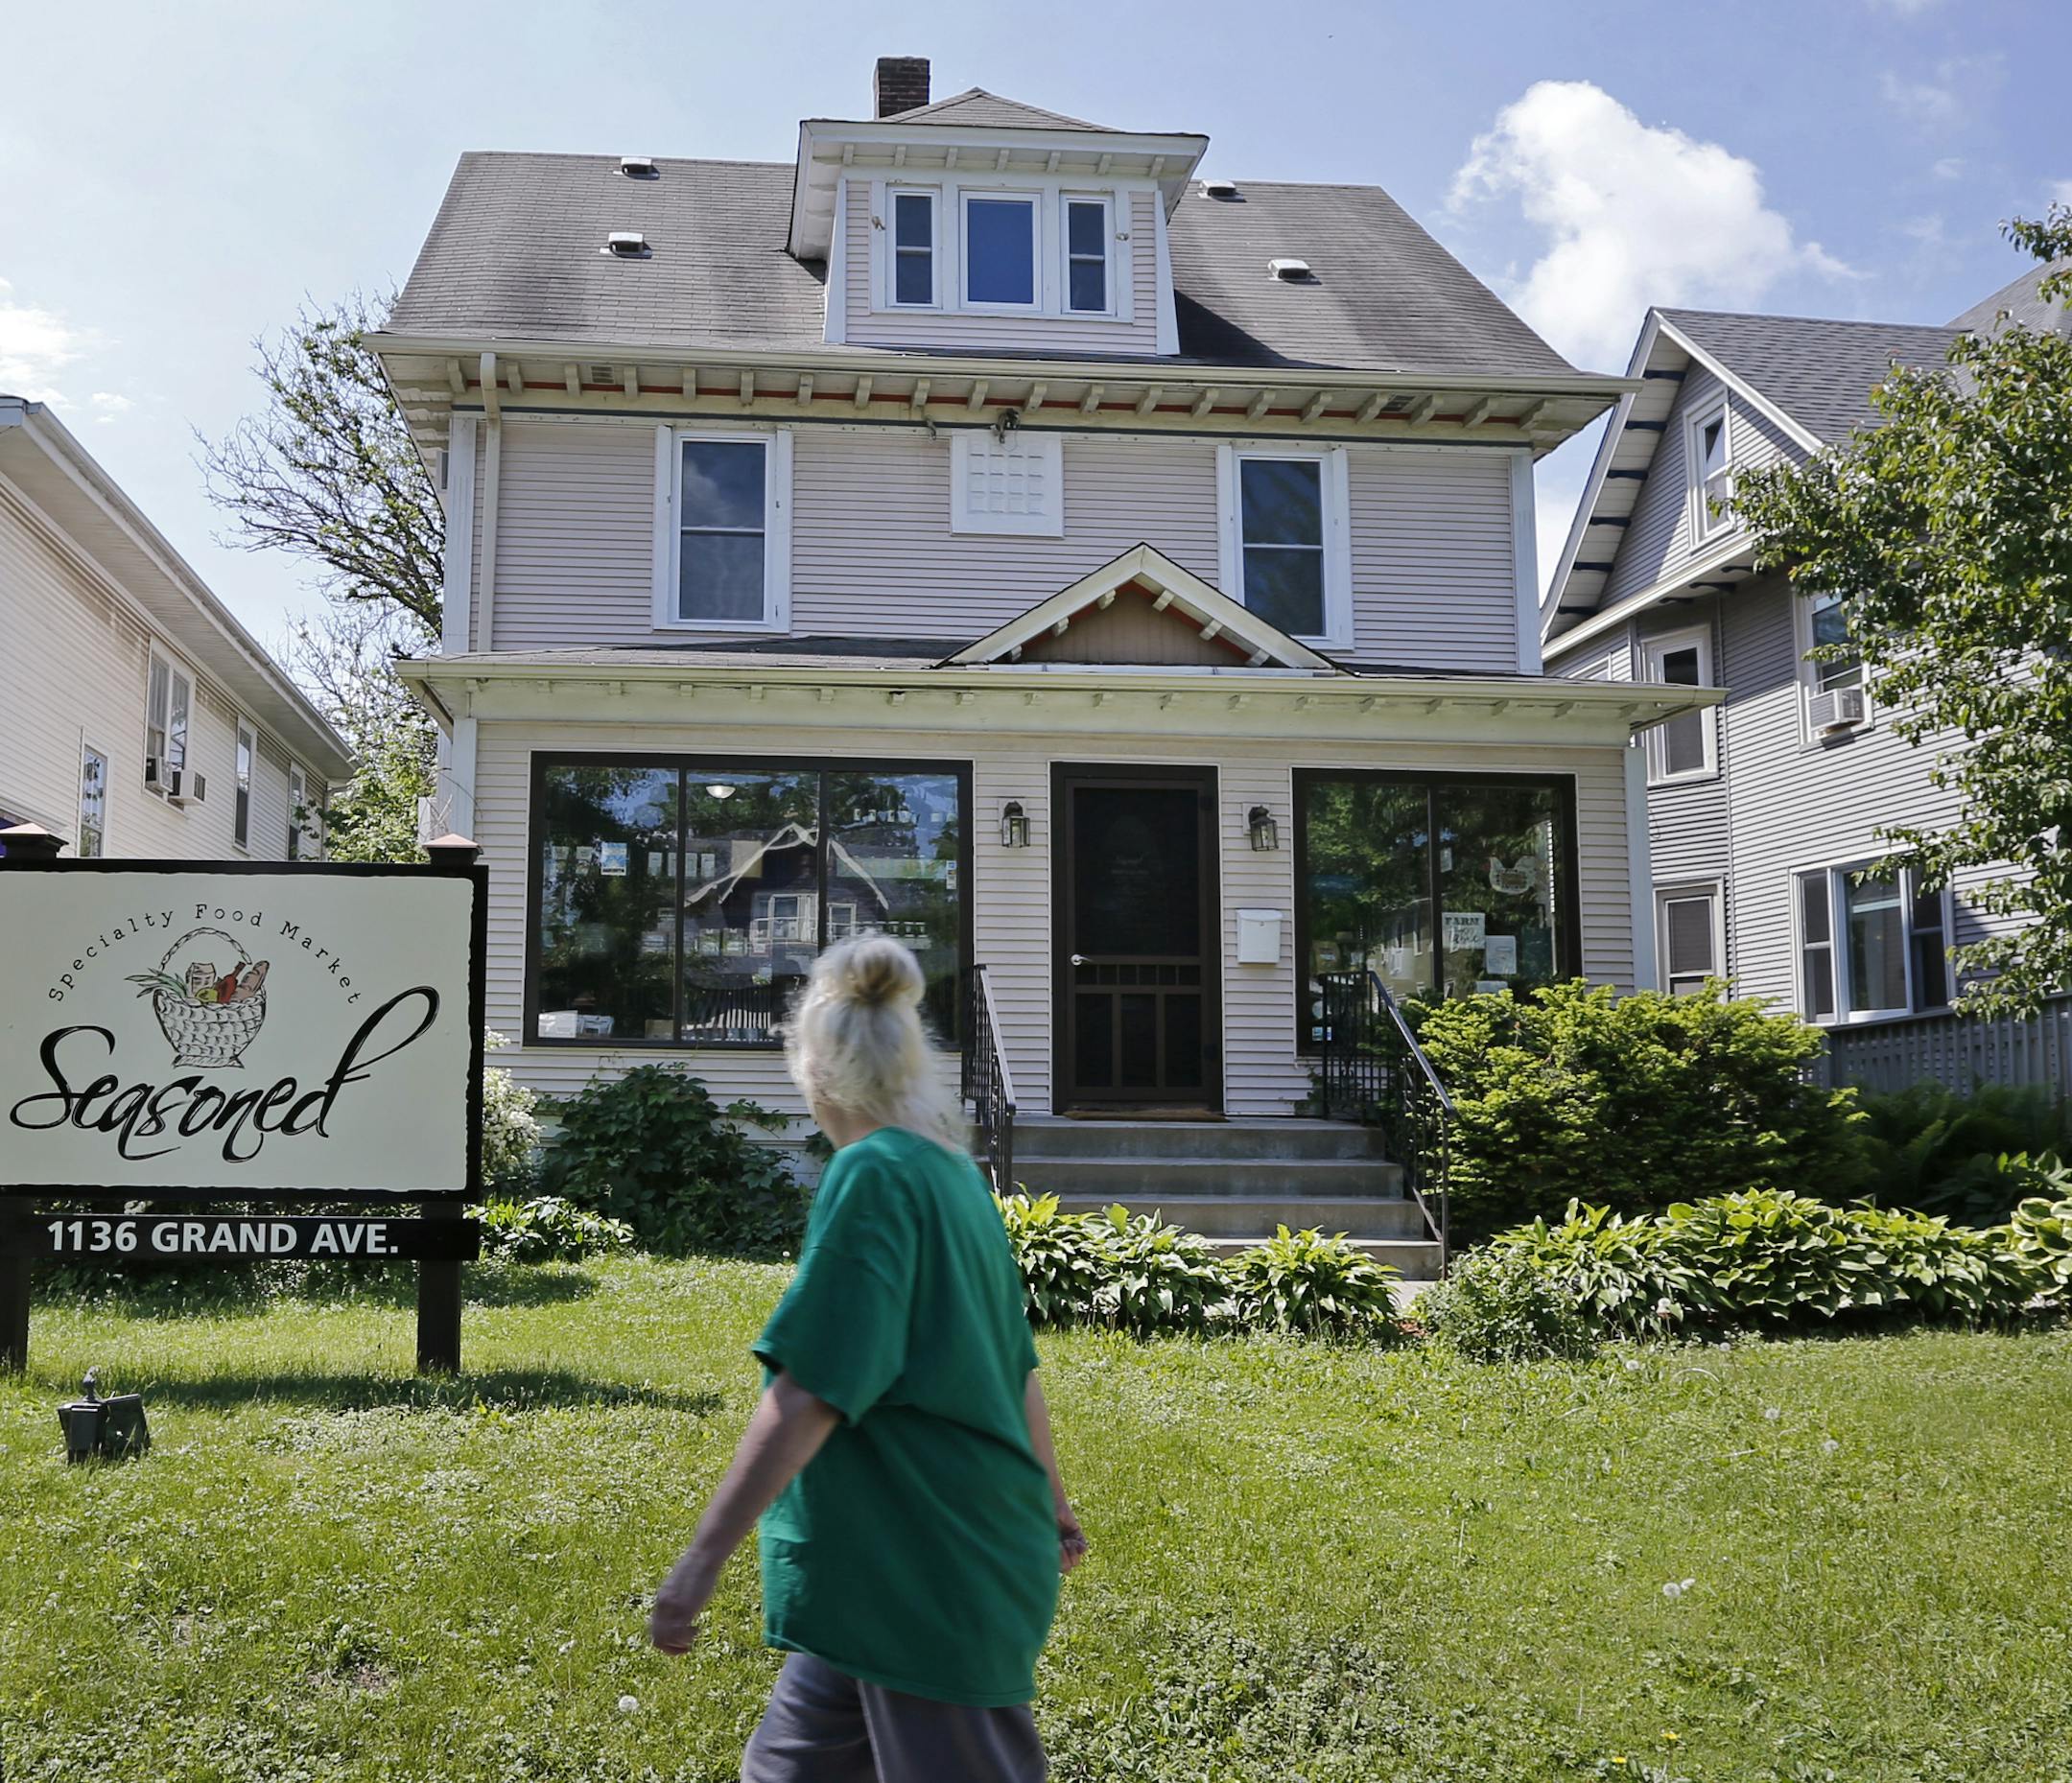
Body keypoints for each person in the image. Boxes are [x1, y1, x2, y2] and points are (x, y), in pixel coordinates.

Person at [648, 933, 1086, 1782]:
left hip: (925, 1575)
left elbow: (810, 1387)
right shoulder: (955, 1175)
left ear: (812, 1068)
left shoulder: (874, 1176)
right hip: (880, 1575)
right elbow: (1017, 1370)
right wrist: (1057, 1508)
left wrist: (697, 1566)